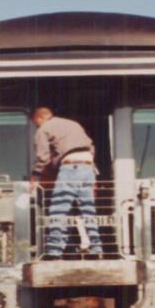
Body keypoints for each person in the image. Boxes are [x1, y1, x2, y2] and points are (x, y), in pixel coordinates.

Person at [29, 107, 103, 259]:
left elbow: (43, 156)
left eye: (35, 123)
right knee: (87, 209)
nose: (36, 126)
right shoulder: (73, 124)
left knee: (58, 209)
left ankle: (54, 251)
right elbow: (91, 147)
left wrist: (35, 176)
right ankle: (96, 247)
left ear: (39, 118)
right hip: (88, 166)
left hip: (70, 166)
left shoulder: (44, 129)